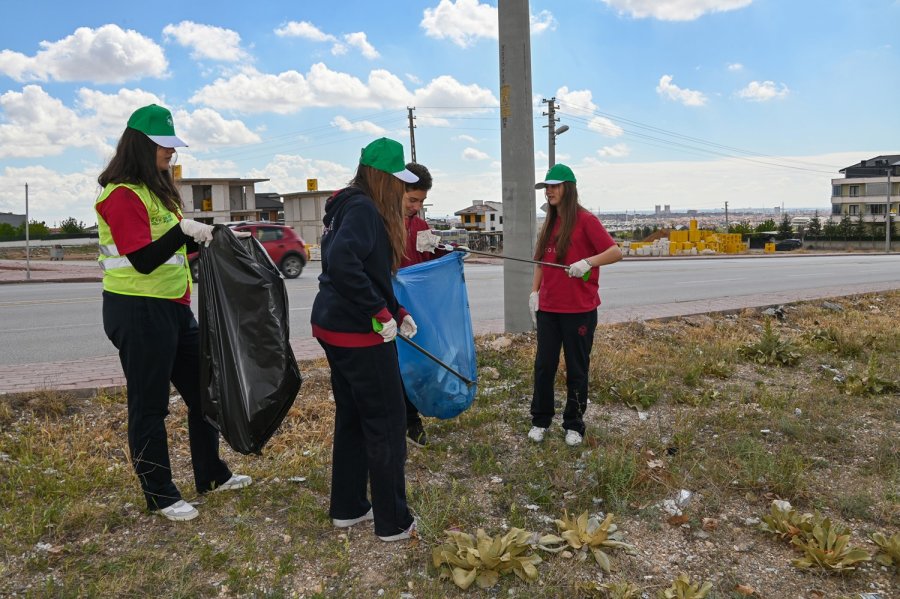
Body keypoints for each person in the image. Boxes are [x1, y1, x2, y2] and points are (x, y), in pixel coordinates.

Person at [95, 104, 251, 521]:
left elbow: (174, 249)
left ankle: (211, 475)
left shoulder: (156, 192)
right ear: (141, 146)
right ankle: (159, 494)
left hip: (174, 309)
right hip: (138, 312)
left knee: (205, 393)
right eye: (163, 147)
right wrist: (181, 231)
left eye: (172, 147)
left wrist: (209, 238)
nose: (170, 154)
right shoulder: (122, 195)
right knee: (149, 407)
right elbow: (144, 260)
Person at [310, 137, 419, 542]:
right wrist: (378, 313)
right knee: (387, 424)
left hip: (333, 326)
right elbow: (343, 264)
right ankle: (393, 522)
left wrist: (398, 311)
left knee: (354, 417)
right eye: (399, 182)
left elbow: (370, 270)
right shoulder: (363, 209)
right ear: (383, 178)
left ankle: (349, 506)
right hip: (358, 333)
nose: (403, 191)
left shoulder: (347, 205)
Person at [528, 163, 623, 447]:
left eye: (554, 186)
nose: (549, 192)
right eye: (546, 187)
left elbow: (615, 252)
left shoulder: (586, 220)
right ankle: (540, 420)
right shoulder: (549, 223)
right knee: (544, 366)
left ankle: (574, 423)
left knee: (576, 368)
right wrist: (534, 292)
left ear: (568, 189)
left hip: (579, 310)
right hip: (549, 309)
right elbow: (541, 263)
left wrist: (587, 262)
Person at [398, 162, 450, 447]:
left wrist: (446, 252)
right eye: (412, 199)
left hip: (414, 309)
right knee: (392, 369)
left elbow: (430, 260)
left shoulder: (419, 225)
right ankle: (405, 420)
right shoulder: (380, 221)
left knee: (414, 366)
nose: (416, 207)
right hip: (387, 307)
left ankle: (410, 417)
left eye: (421, 201)